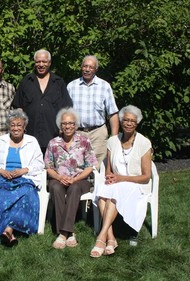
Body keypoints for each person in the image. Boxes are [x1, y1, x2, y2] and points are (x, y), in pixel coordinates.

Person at [90, 105, 152, 258]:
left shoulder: (144, 143)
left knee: (115, 191)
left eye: (132, 121)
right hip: (117, 182)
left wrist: (121, 178)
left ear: (137, 123)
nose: (129, 123)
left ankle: (102, 237)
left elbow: (146, 176)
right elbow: (109, 169)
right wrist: (111, 177)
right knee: (102, 191)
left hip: (136, 184)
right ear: (121, 121)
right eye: (126, 120)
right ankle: (111, 239)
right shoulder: (112, 141)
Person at [0, 109, 45, 247]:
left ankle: (8, 230)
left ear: (24, 127)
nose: (16, 128)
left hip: (25, 179)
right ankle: (10, 230)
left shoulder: (32, 141)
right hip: (3, 179)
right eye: (13, 125)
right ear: (8, 126)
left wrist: (25, 170)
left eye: (19, 125)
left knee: (27, 194)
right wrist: (1, 171)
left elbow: (40, 164)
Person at [44, 108, 98, 249]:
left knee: (74, 188)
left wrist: (75, 179)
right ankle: (70, 232)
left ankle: (63, 233)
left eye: (71, 123)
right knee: (55, 187)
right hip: (58, 178)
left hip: (80, 180)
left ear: (76, 125)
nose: (67, 126)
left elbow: (90, 166)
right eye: (64, 123)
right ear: (60, 125)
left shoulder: (84, 141)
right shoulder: (53, 143)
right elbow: (48, 166)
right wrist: (59, 177)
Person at [12, 49, 73, 154]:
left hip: (54, 137)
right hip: (29, 138)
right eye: (38, 62)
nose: (41, 64)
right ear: (34, 63)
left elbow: (67, 109)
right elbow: (18, 108)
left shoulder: (59, 83)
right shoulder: (26, 82)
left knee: (52, 170)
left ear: (49, 63)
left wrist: (63, 130)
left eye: (44, 62)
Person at [67, 55, 119, 166]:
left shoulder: (105, 86)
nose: (87, 69)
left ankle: (97, 183)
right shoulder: (71, 86)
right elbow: (65, 113)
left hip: (98, 133)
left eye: (91, 67)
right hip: (77, 133)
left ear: (96, 69)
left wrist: (114, 138)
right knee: (77, 166)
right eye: (85, 66)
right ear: (81, 67)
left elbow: (113, 113)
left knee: (98, 167)